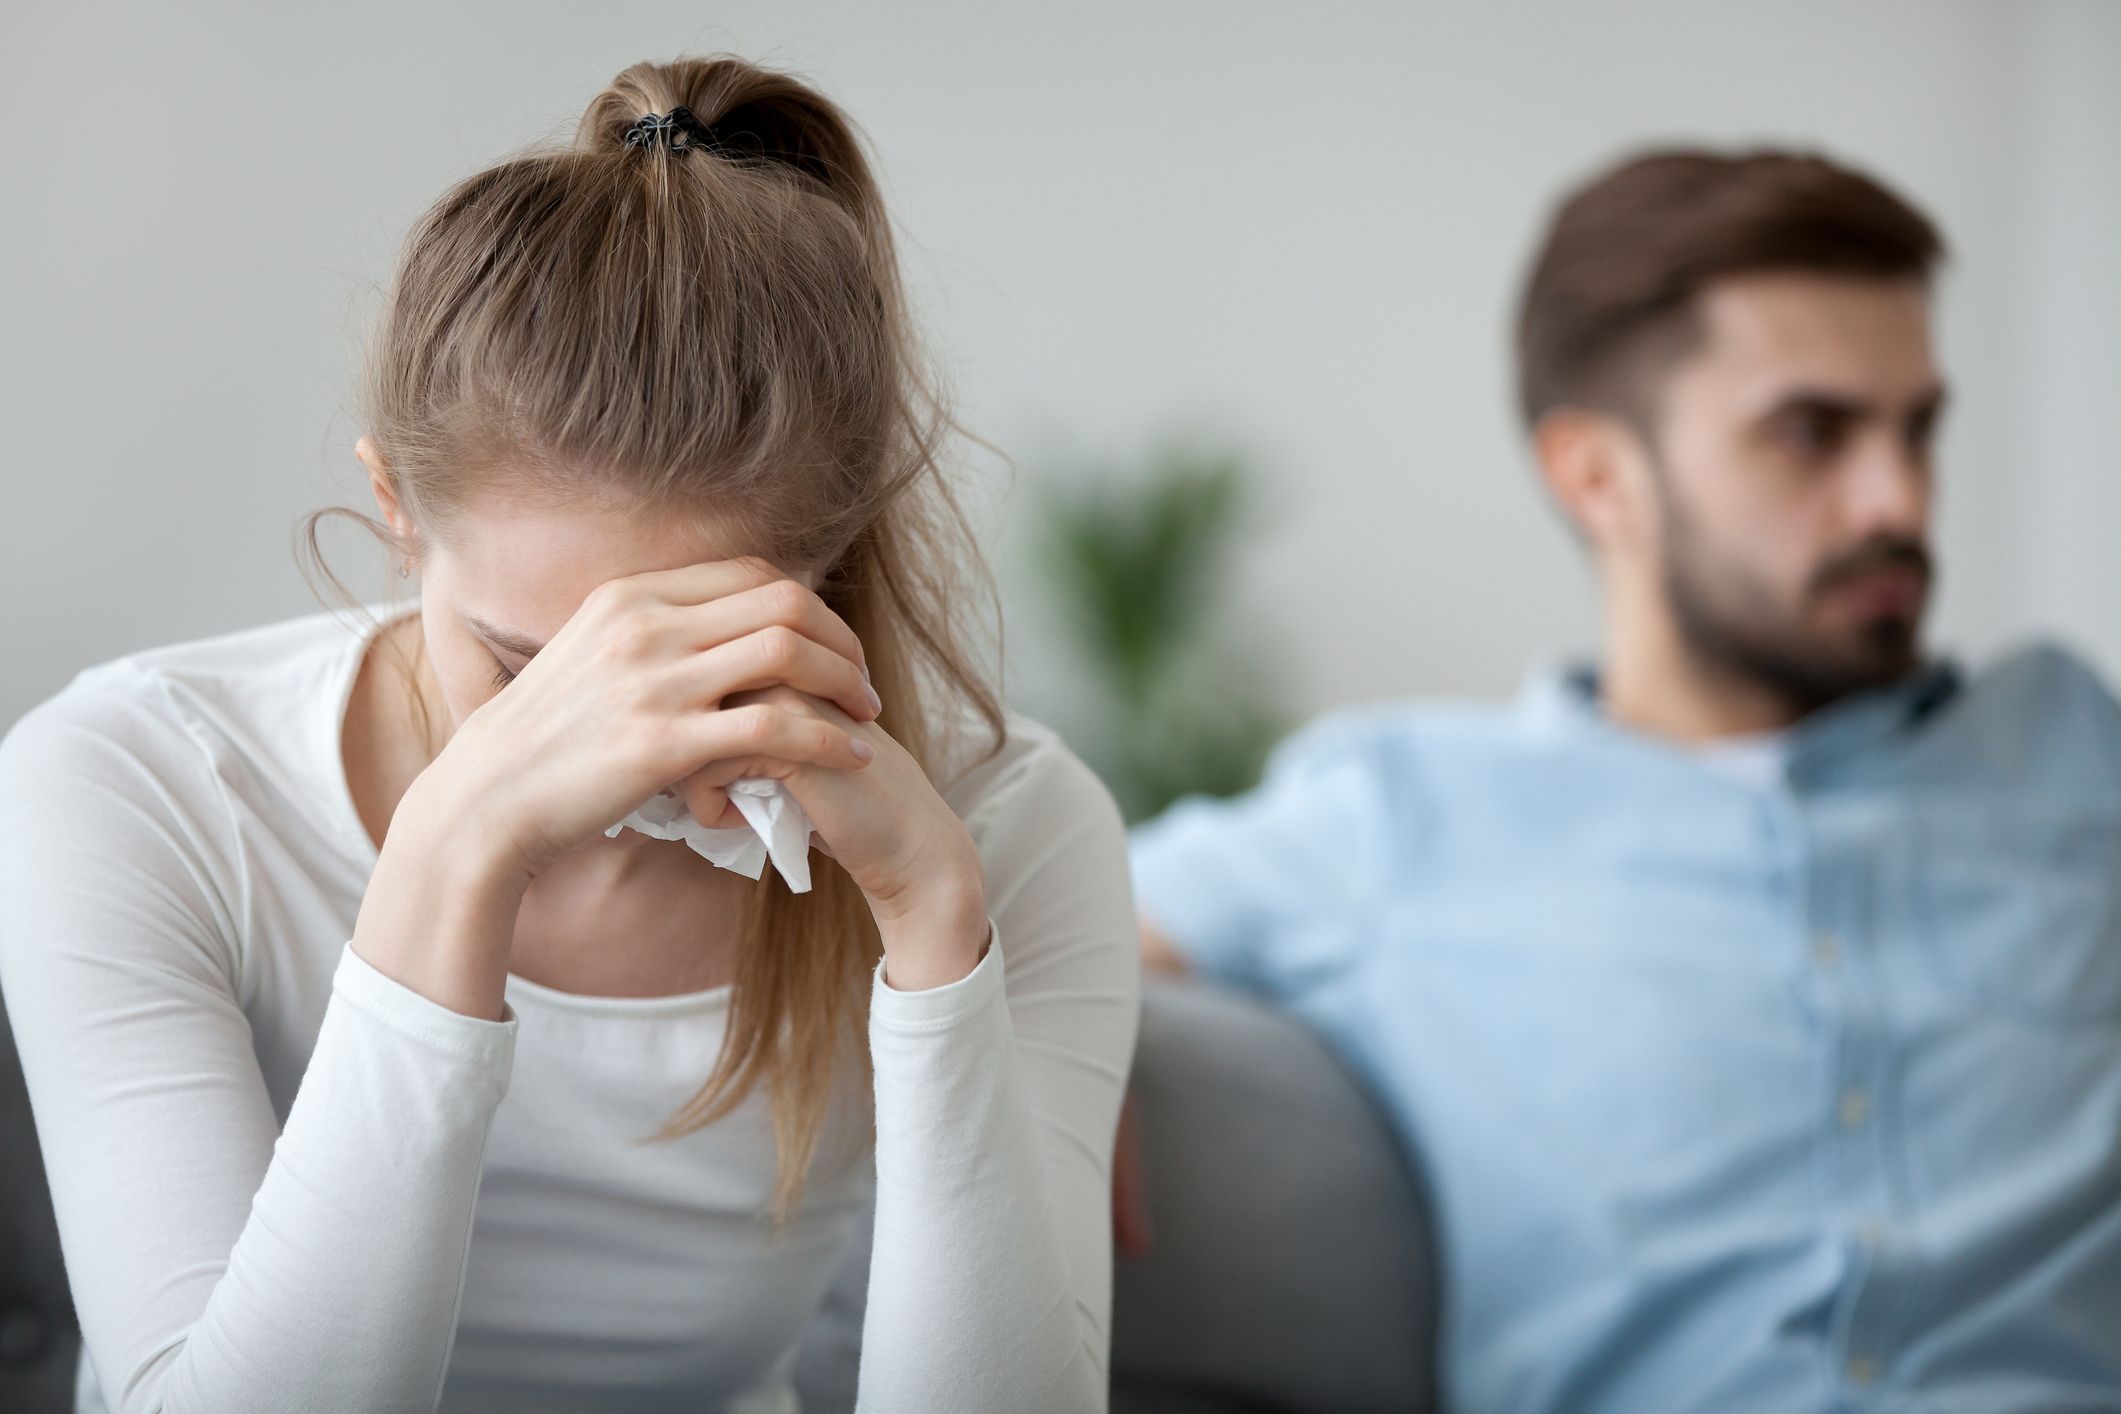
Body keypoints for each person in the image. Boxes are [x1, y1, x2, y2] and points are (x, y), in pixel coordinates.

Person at [0, 55, 1138, 1414]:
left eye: (683, 660)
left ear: (823, 573)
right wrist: (453, 851)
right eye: (526, 664)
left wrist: (942, 938)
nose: (606, 744)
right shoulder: (135, 780)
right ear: (393, 507)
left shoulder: (1010, 828)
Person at [1126, 148, 2121, 1411]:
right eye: (1812, 433)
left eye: (1917, 429)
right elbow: (1045, 923)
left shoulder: (2074, 748)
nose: (1899, 498)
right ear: (1598, 477)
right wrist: (1055, 1050)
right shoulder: (1400, 812)